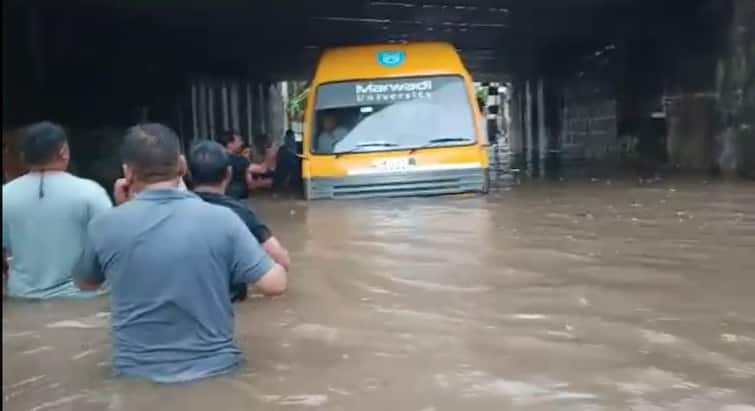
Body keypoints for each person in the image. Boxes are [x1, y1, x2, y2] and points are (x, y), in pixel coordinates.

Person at [74, 123, 288, 384]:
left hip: (135, 375)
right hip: (216, 371)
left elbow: (85, 283)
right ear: (183, 165)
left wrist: (123, 210)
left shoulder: (104, 225)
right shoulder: (223, 220)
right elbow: (275, 284)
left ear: (127, 172)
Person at [2, 121, 112, 299]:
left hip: (22, 299)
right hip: (81, 302)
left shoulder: (5, 196)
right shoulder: (91, 192)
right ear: (63, 151)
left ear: (23, 156)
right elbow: (112, 247)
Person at [188, 140, 291, 301]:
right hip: (228, 301)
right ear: (228, 173)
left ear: (188, 174)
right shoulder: (239, 214)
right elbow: (282, 261)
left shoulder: (171, 211)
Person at [219, 130, 253, 199]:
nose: (242, 143)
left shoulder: (216, 158)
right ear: (230, 144)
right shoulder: (241, 160)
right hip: (238, 198)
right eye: (239, 141)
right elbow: (249, 180)